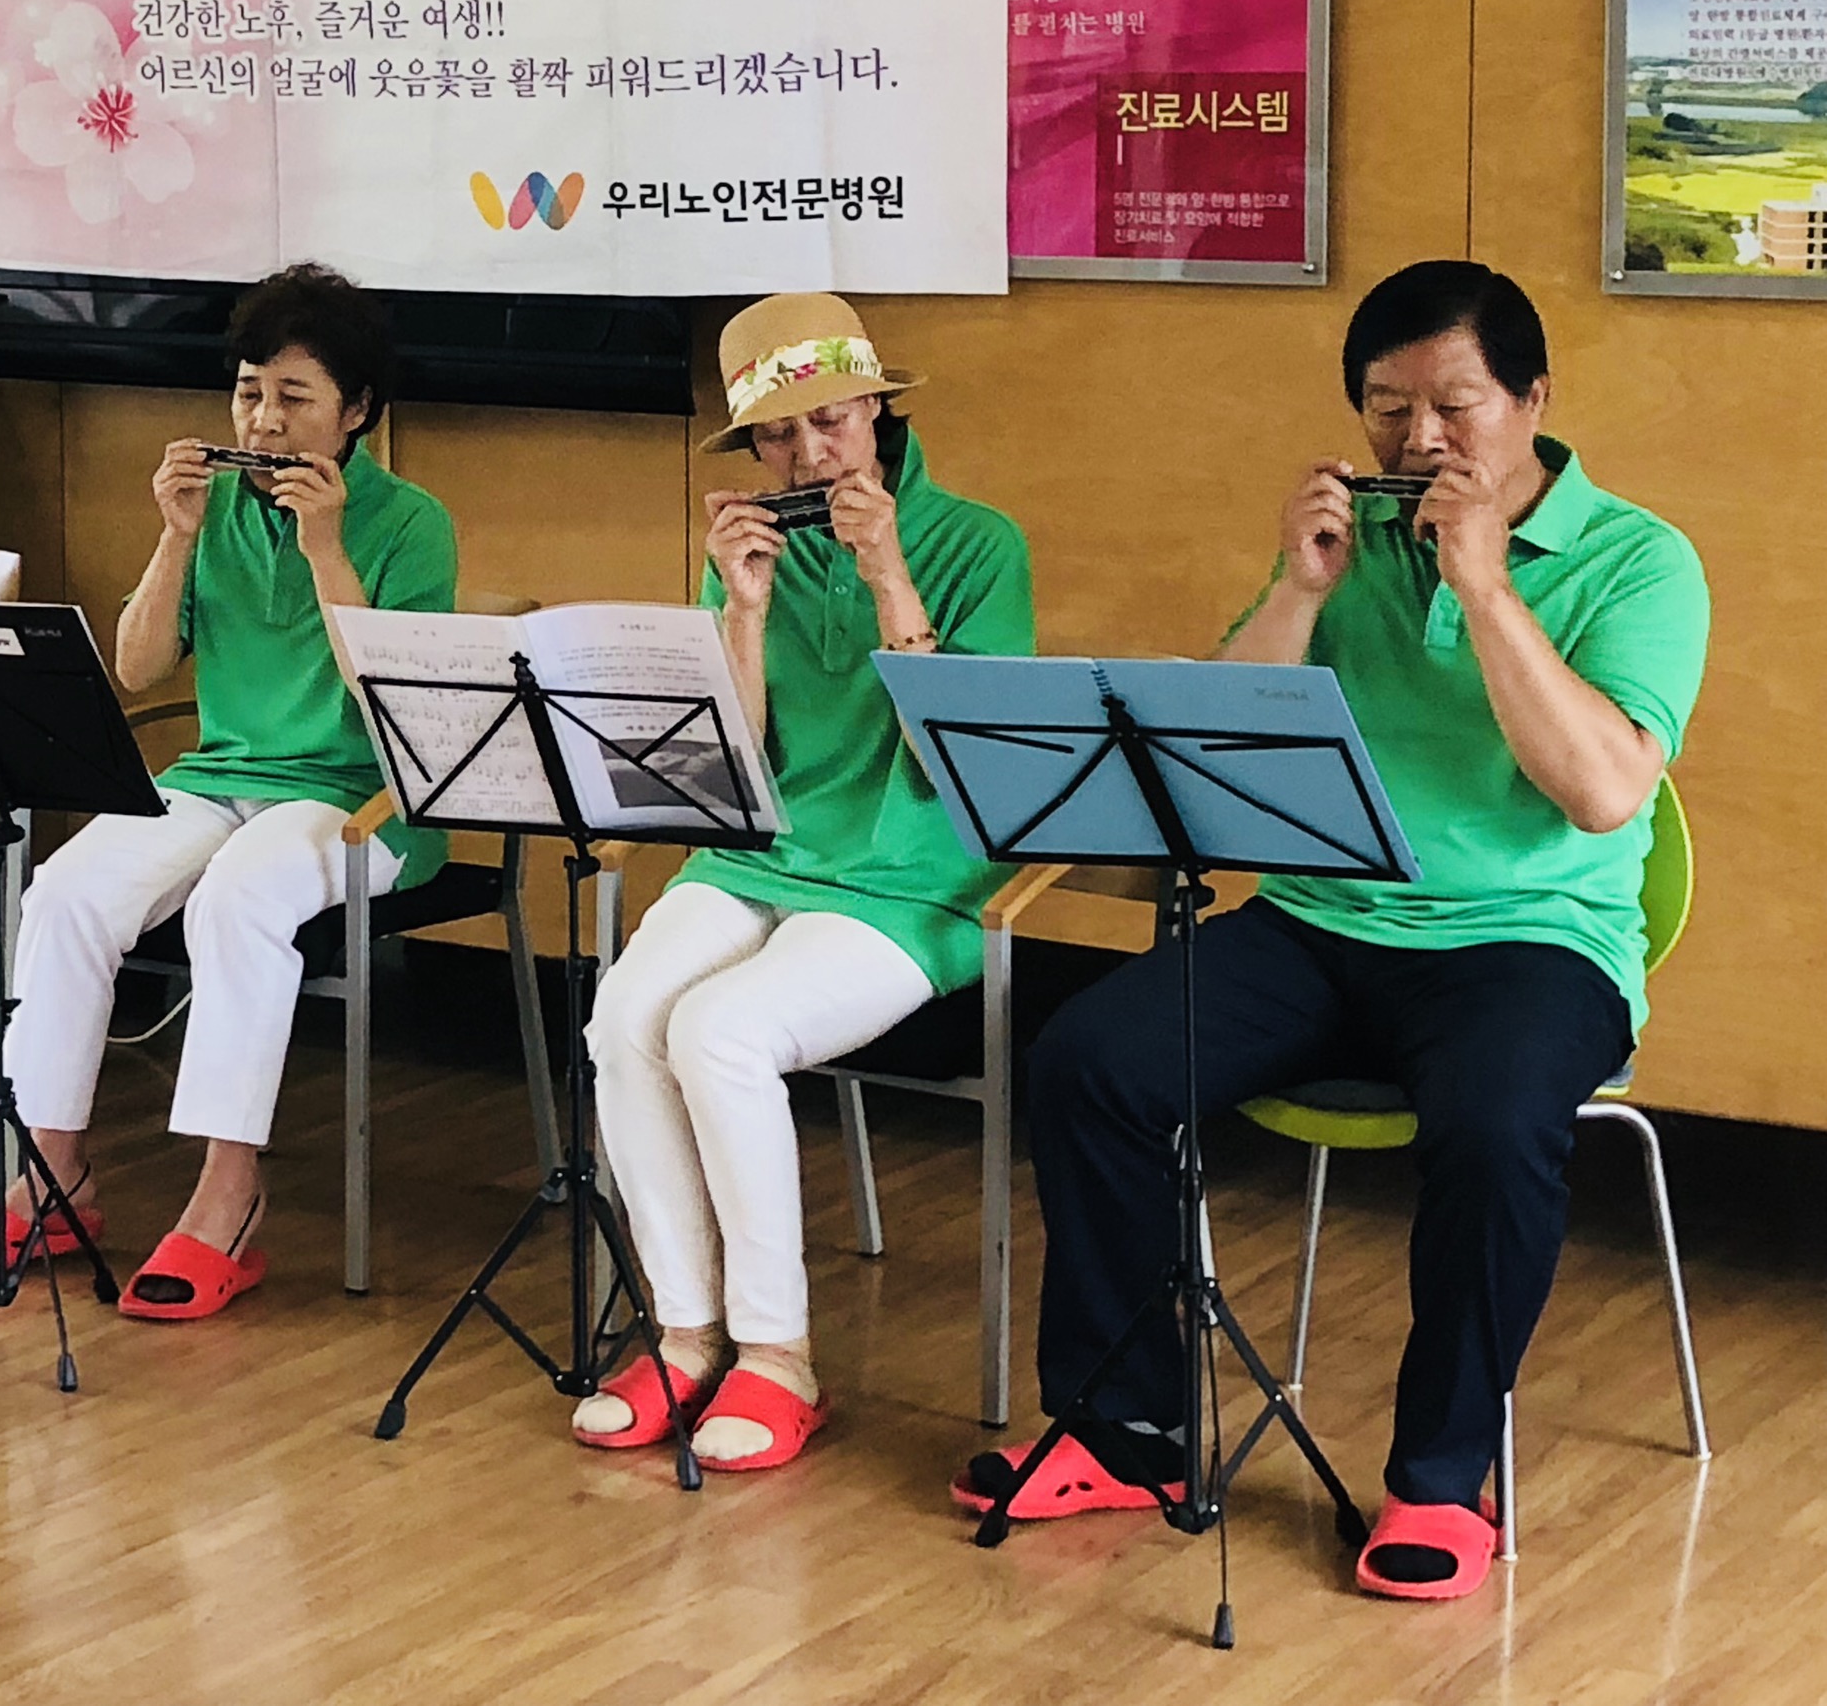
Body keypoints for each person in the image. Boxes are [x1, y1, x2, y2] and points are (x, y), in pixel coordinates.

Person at [959, 260, 1708, 1603]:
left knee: (1493, 1124)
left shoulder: (1639, 560)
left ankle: (1439, 1475)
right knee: (1088, 1061)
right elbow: (1207, 762)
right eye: (1383, 406)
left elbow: (1602, 791)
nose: (1417, 439)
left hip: (1528, 940)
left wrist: (1485, 587)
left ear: (1531, 399)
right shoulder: (1350, 536)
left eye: (1453, 405)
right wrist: (1300, 591)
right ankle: (1123, 1429)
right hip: (1323, 917)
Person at [0, 263, 457, 1318]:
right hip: (219, 776)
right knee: (66, 891)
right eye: (248, 392)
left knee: (236, 900)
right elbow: (136, 667)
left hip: (360, 797)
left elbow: (392, 700)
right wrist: (173, 534)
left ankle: (227, 1195)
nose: (263, 419)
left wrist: (324, 546)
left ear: (356, 411)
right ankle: (48, 1175)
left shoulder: (409, 522)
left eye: (294, 396)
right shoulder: (214, 509)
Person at [573, 293, 1033, 1469]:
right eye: (776, 435)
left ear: (876, 407)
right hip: (757, 852)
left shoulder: (978, 543)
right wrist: (740, 609)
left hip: (908, 879)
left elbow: (965, 764)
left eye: (829, 420)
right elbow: (723, 763)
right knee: (622, 1017)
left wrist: (886, 574)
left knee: (718, 1030)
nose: (808, 454)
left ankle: (777, 1355)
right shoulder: (750, 548)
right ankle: (683, 1331)